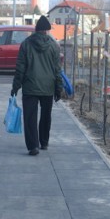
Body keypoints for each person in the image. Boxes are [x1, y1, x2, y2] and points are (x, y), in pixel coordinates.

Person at [11, 15, 63, 155]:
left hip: (29, 87)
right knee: (46, 116)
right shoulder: (54, 46)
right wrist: (59, 89)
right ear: (47, 30)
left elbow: (20, 68)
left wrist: (15, 87)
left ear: (36, 30)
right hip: (48, 87)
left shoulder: (26, 44)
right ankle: (44, 142)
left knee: (30, 117)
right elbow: (57, 70)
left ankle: (33, 146)